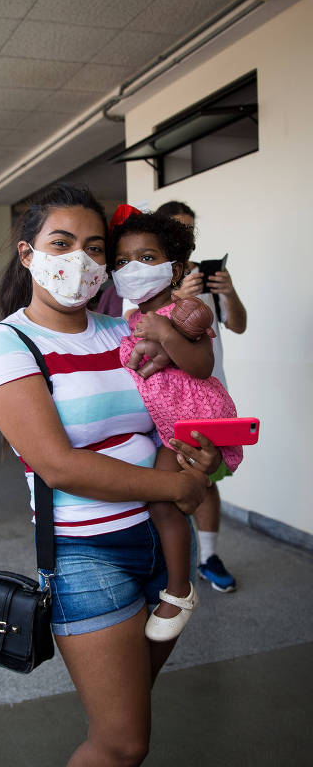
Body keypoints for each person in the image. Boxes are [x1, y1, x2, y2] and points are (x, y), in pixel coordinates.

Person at [0, 184, 222, 766]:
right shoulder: (7, 343)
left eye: (93, 247)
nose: (79, 260)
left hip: (164, 542)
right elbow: (58, 465)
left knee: (128, 716)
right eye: (61, 244)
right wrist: (176, 487)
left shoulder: (125, 331)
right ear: (28, 254)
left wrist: (200, 459)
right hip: (88, 554)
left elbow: (171, 416)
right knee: (122, 743)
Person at [109, 206, 243, 641]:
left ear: (176, 268)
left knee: (167, 501)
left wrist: (165, 335)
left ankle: (180, 589)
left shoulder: (188, 311)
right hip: (167, 425)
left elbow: (202, 366)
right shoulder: (132, 319)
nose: (133, 268)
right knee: (165, 501)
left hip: (194, 423)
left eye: (147, 258)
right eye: (122, 261)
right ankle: (175, 581)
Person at [156, 201, 247, 593]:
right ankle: (165, 564)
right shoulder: (151, 275)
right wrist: (176, 297)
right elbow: (134, 327)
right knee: (160, 480)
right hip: (162, 400)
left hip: (209, 398)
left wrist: (229, 292)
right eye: (177, 228)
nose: (185, 237)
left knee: (207, 479)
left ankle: (208, 558)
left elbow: (238, 324)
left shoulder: (204, 276)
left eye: (190, 229)